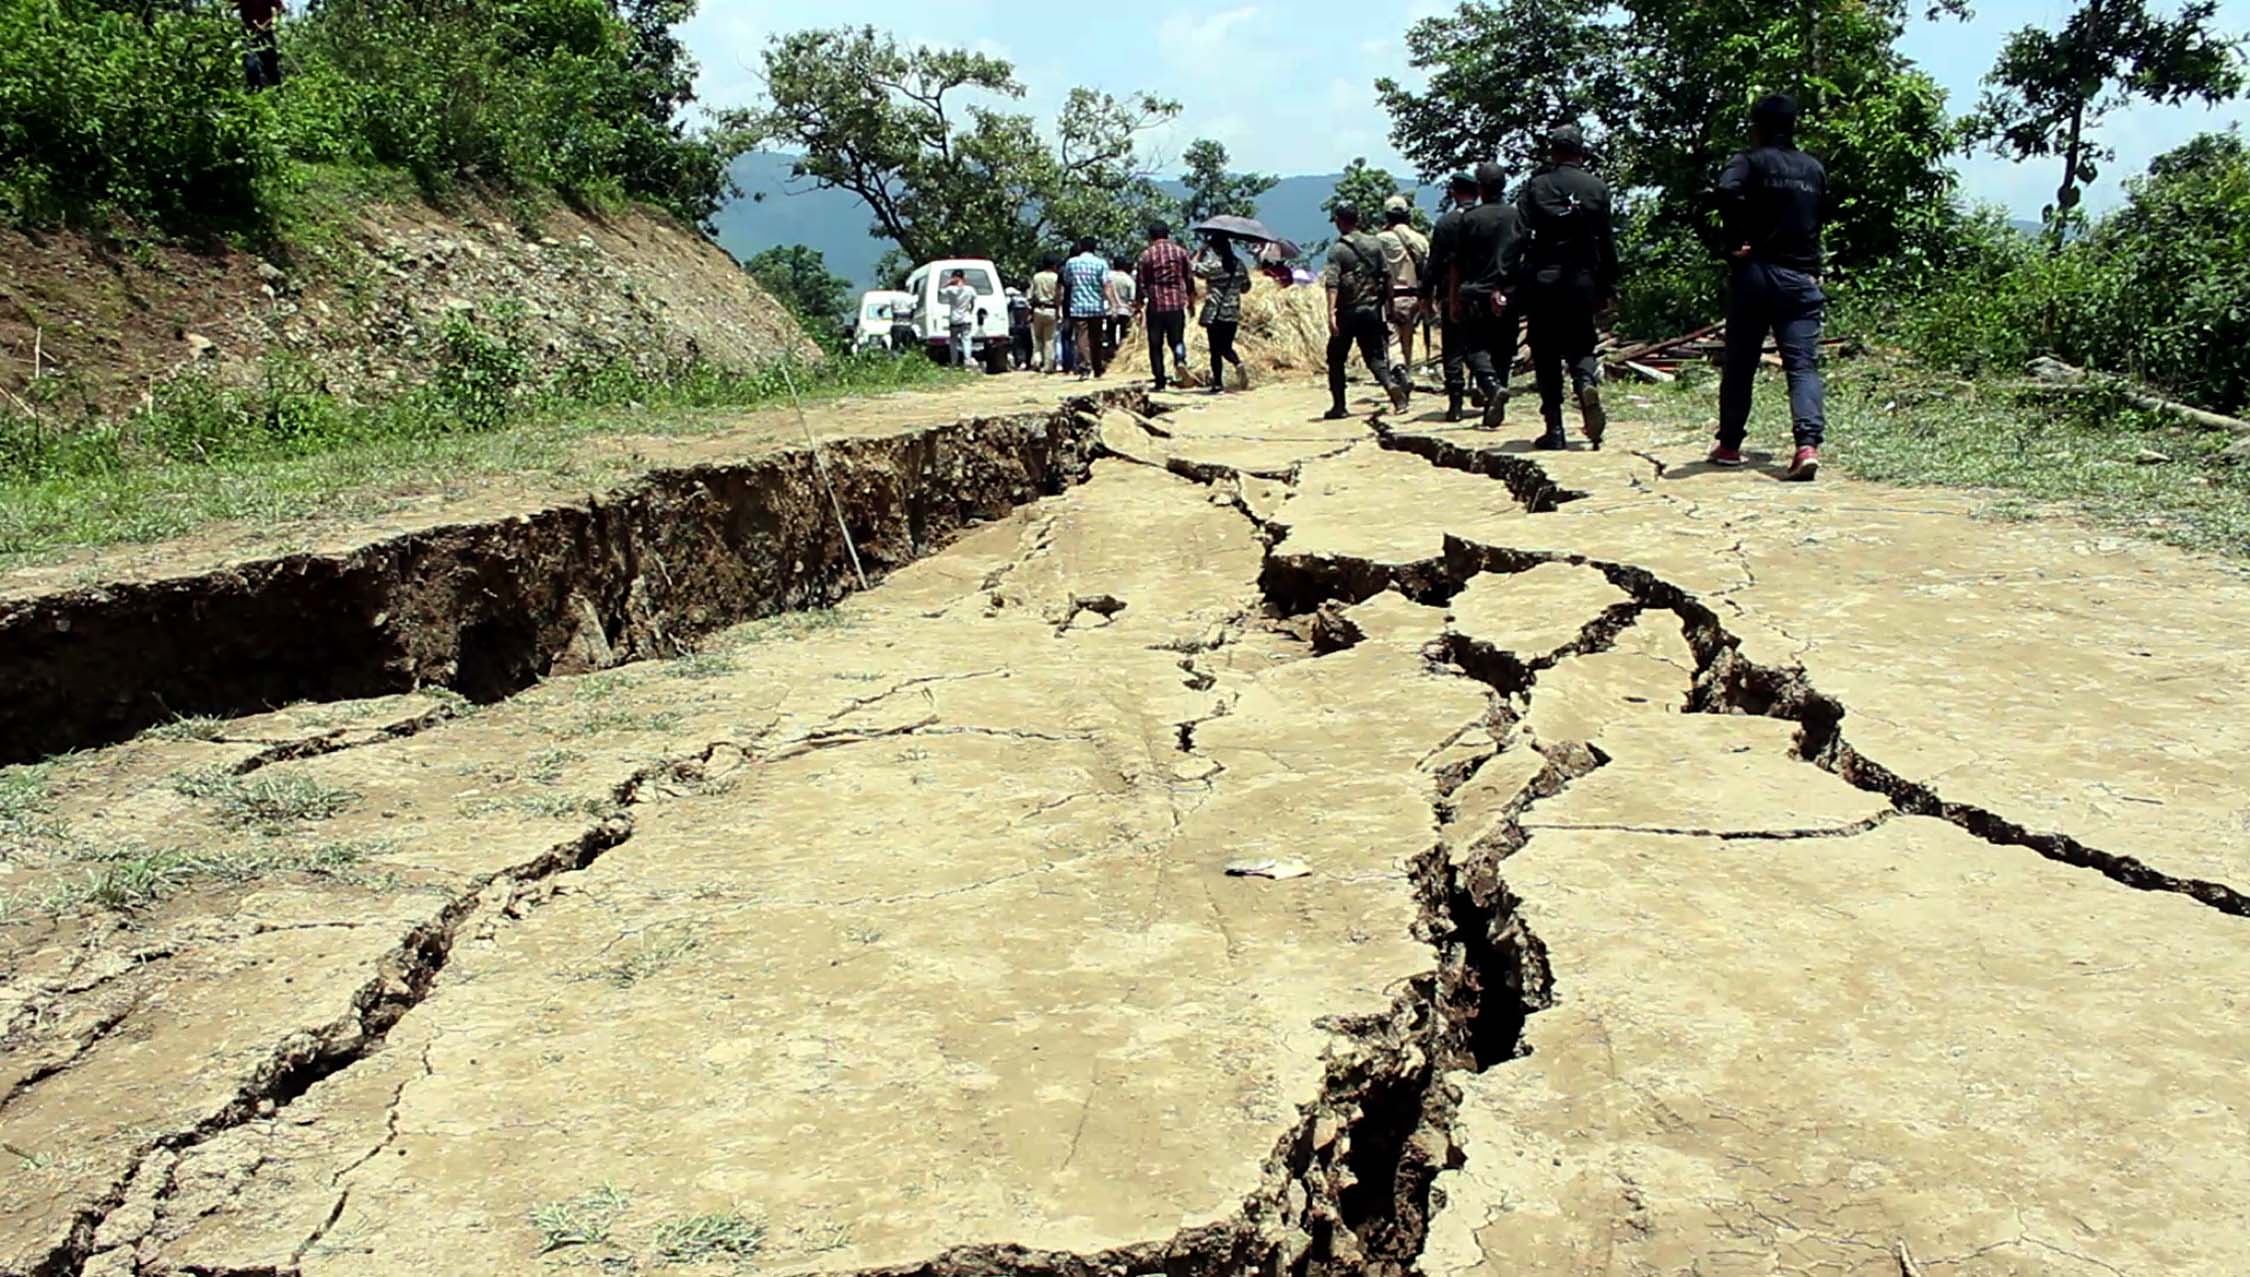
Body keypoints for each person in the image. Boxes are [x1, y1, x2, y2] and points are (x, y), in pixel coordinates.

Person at [1712, 93, 1829, 480]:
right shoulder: (1814, 169)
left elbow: (1725, 190)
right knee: (1802, 365)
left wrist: (1736, 237)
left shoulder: (1749, 160)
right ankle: (1806, 445)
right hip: (1800, 278)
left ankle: (1729, 445)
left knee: (1741, 362)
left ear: (1757, 126)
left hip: (1757, 273)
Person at [1516, 123, 1619, 450]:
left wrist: (1510, 281)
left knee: (1545, 353)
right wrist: (1607, 284)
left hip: (1544, 280)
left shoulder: (1536, 186)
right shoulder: (1597, 188)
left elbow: (1520, 235)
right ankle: (1585, 381)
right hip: (1581, 279)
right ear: (1580, 152)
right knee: (1581, 344)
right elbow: (1606, 240)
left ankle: (1555, 429)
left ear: (1554, 152)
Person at [1450, 162, 1528, 430]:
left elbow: (1457, 263)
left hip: (1476, 292)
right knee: (1504, 348)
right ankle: (1499, 393)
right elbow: (1523, 254)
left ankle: (1492, 387)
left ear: (1480, 188)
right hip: (1509, 292)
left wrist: (1453, 298)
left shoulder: (1469, 219)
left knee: (1473, 349)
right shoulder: (1517, 216)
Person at [1322, 204, 1410, 419]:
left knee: (1335, 358)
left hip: (1347, 312)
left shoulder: (1337, 250)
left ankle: (1339, 406)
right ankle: (1392, 388)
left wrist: (1331, 313)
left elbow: (1332, 283)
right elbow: (1387, 276)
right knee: (1375, 358)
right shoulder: (1374, 244)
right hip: (1372, 310)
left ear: (1339, 221)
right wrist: (1390, 306)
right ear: (1358, 218)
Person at [1421, 173, 1480, 421]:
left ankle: (1455, 403)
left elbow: (1433, 263)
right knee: (1481, 345)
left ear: (1454, 193)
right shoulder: (1486, 218)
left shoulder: (1446, 223)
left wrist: (1426, 293)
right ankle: (1483, 387)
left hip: (1452, 294)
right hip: (1484, 293)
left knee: (1453, 349)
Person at [1134, 222, 1196, 390]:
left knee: (1155, 344)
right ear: (1168, 234)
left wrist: (1138, 303)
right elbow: (1189, 278)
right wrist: (1191, 301)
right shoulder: (1180, 252)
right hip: (1176, 303)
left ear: (1151, 236)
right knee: (1177, 339)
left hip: (1156, 305)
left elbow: (1141, 283)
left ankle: (1160, 381)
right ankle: (1180, 359)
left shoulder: (1146, 255)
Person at [1375, 195, 1430, 369]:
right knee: (1408, 338)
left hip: (1389, 299)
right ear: (1408, 215)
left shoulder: (1379, 240)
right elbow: (1427, 270)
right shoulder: (1420, 240)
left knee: (1391, 339)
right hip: (1413, 297)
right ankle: (1405, 371)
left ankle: (1397, 368)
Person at [1194, 234, 1253, 393]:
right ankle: (1237, 363)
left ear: (1215, 248)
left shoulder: (1214, 265)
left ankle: (1218, 383)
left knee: (1215, 350)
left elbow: (1193, 268)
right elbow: (1245, 288)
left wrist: (1200, 252)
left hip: (1215, 311)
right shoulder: (1240, 265)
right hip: (1232, 311)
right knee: (1226, 346)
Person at [1062, 238, 1112, 379]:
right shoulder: (1101, 263)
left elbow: (1067, 281)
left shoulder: (1071, 263)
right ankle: (1097, 367)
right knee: (1096, 338)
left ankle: (1085, 366)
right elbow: (1106, 284)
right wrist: (1112, 303)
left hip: (1078, 306)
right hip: (1096, 306)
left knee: (1082, 338)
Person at [234, 0, 286, 91]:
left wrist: (265, 24)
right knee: (251, 64)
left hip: (266, 33)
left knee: (270, 65)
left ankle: (277, 92)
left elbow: (281, 8)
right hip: (248, 34)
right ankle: (255, 91)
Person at [938, 269, 979, 369]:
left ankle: (954, 362)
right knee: (967, 340)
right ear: (963, 277)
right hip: (966, 318)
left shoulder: (950, 289)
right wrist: (970, 310)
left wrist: (948, 283)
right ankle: (967, 361)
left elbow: (940, 291)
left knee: (953, 342)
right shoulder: (970, 289)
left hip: (954, 319)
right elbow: (973, 302)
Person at [1029, 256, 1062, 373]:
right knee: (1050, 339)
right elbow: (1059, 296)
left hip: (1038, 308)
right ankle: (1048, 365)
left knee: (1037, 338)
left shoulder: (1036, 277)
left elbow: (1030, 295)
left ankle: (1037, 360)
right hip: (1051, 308)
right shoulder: (1056, 278)